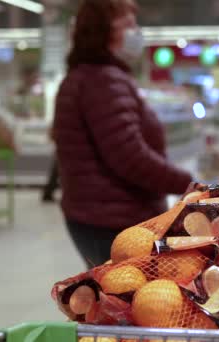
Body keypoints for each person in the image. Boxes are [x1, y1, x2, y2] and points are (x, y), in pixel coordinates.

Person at [53, 0, 192, 269]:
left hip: (98, 214)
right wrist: (188, 184)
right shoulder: (104, 80)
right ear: (102, 30)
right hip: (113, 220)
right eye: (129, 24)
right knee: (126, 300)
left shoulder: (89, 76)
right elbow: (129, 156)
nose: (137, 32)